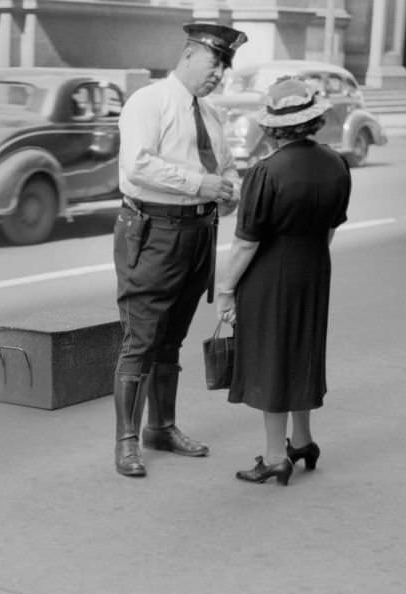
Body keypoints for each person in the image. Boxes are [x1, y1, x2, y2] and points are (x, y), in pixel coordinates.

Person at [111, 22, 247, 478]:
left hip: (197, 234)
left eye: (224, 69)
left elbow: (226, 168)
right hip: (153, 231)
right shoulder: (149, 102)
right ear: (189, 56)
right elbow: (138, 164)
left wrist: (229, 193)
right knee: (141, 339)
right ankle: (127, 441)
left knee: (172, 337)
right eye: (214, 64)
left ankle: (161, 428)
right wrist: (199, 184)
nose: (218, 76)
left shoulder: (212, 115)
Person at [215, 77, 353, 486]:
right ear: (313, 119)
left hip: (270, 276)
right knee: (302, 352)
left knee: (271, 359)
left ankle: (276, 456)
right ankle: (304, 441)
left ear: (273, 126)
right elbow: (330, 229)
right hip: (314, 268)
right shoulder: (336, 163)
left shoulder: (265, 172)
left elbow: (245, 243)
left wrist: (226, 291)